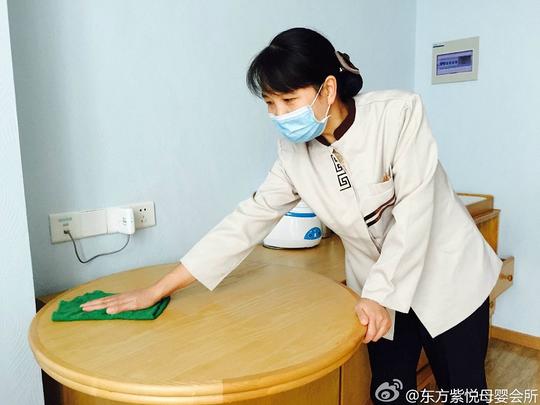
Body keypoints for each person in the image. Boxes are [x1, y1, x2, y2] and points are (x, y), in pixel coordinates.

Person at [81, 27, 502, 404]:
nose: (279, 115)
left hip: (446, 279)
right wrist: (159, 289)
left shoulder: (398, 114)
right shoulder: (293, 153)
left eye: (288, 100)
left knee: (463, 390)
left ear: (328, 88)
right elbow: (247, 220)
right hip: (376, 293)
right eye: (269, 103)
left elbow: (415, 215)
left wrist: (379, 294)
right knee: (389, 391)